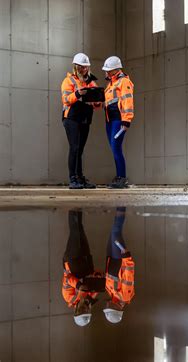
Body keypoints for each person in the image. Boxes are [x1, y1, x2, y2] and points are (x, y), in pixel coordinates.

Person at [61, 53, 100, 190]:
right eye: (82, 67)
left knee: (80, 149)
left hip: (85, 118)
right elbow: (66, 99)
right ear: (76, 67)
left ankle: (80, 178)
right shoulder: (69, 81)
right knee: (75, 148)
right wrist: (79, 93)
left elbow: (97, 105)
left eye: (86, 67)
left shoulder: (91, 82)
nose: (84, 70)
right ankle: (73, 178)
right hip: (71, 118)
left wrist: (97, 101)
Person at [62, 210, 105, 327]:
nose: (84, 310)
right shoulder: (91, 297)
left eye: (81, 312)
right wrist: (99, 277)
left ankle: (73, 206)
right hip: (86, 260)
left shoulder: (69, 298)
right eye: (86, 312)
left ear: (76, 312)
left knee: (75, 231)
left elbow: (67, 279)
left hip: (72, 260)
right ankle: (78, 207)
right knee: (80, 230)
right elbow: (96, 276)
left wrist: (79, 286)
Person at [102, 56, 134, 189]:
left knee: (116, 148)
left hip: (118, 120)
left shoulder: (124, 82)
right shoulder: (111, 84)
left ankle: (122, 178)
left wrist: (126, 120)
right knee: (114, 149)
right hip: (110, 120)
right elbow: (109, 102)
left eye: (108, 70)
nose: (106, 72)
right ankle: (119, 177)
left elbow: (127, 101)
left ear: (115, 70)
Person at [103, 207, 135, 323]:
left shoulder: (113, 294)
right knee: (116, 231)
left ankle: (120, 207)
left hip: (111, 258)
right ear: (116, 308)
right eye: (109, 308)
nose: (107, 305)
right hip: (119, 258)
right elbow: (129, 275)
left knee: (114, 231)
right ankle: (121, 205)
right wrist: (127, 258)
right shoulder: (124, 296)